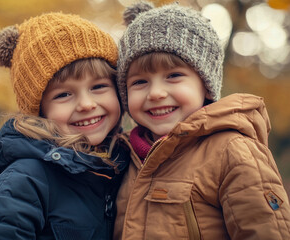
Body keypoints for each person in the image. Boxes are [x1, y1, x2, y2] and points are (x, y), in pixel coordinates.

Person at [113, 1, 290, 239]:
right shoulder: (124, 155)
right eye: (139, 82)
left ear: (205, 86)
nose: (155, 93)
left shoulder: (233, 152)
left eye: (174, 76)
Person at [0, 12, 129, 240]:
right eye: (64, 94)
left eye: (98, 87)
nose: (86, 104)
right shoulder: (27, 180)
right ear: (40, 110)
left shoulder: (126, 163)